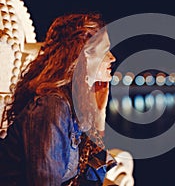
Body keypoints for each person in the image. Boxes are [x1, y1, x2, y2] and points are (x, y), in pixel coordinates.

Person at [0, 13, 117, 185]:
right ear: (82, 55)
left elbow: (91, 181)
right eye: (105, 51)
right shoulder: (52, 107)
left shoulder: (72, 105)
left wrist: (99, 116)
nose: (112, 58)